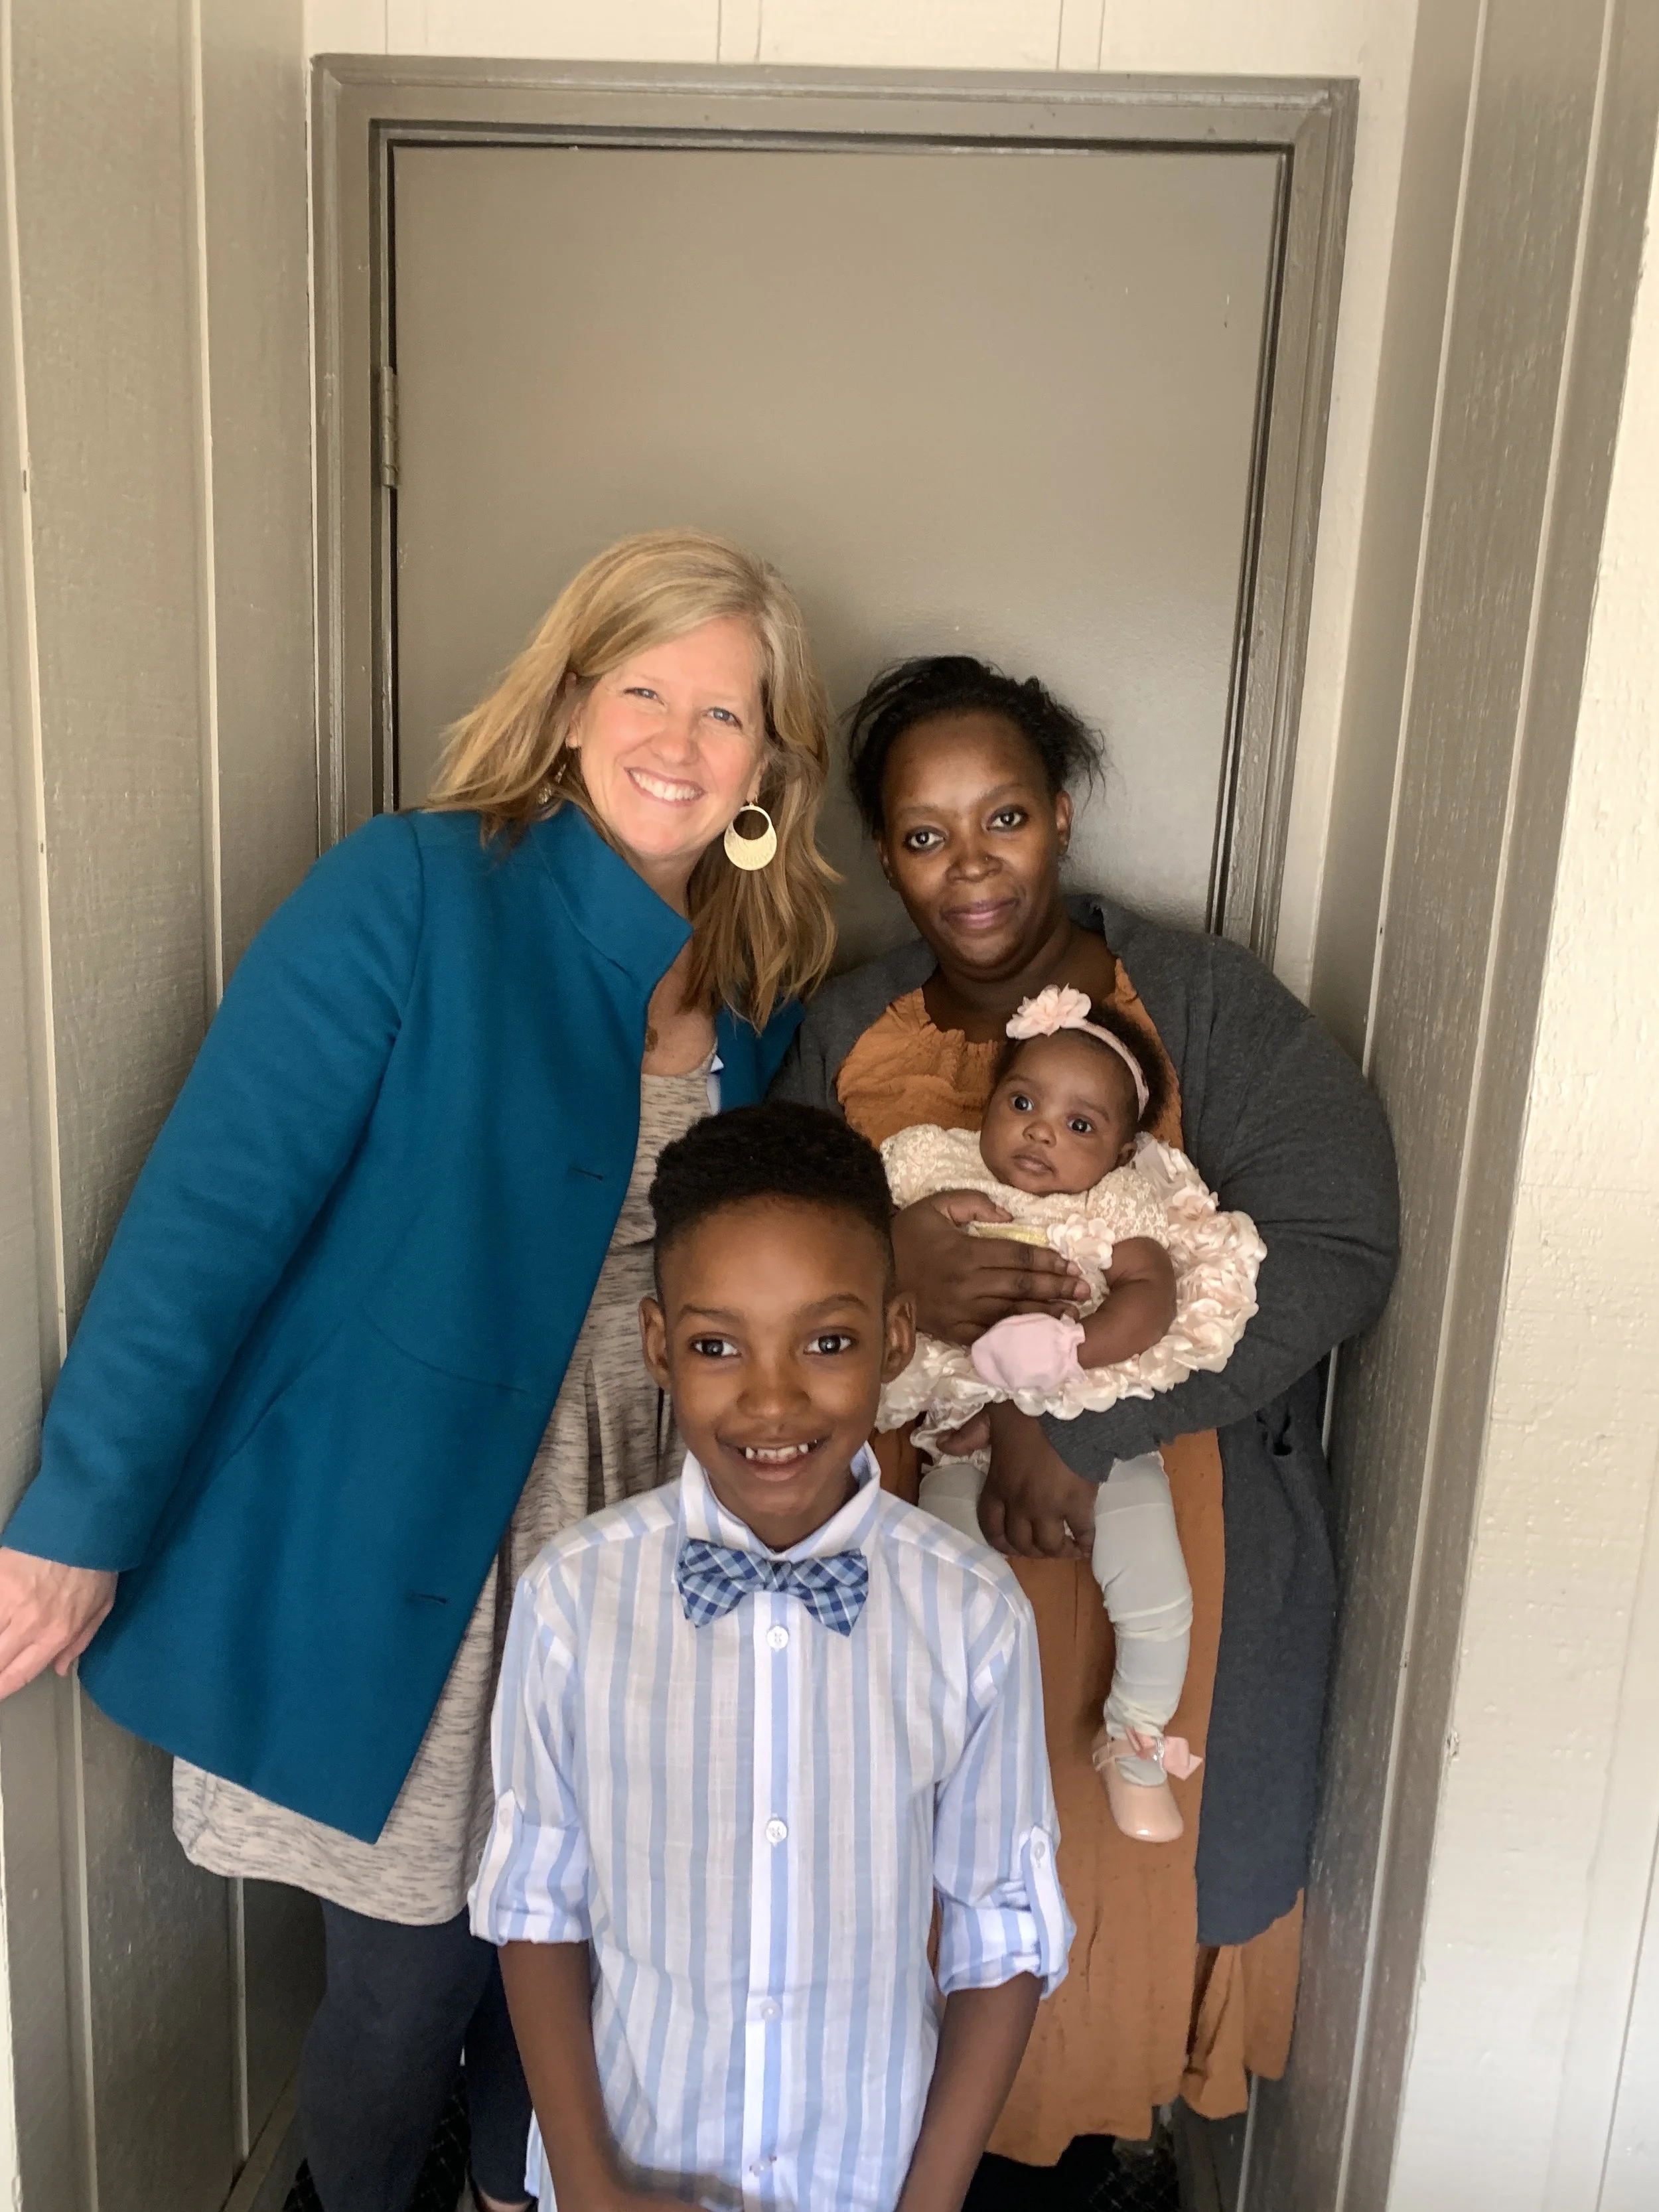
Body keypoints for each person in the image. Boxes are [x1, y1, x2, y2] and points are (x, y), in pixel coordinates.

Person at [0, 530, 835, 2212]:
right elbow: (207, 1220)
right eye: (642, 687)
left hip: (638, 1545)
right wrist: (79, 1519)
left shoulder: (750, 986)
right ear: (572, 698)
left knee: (583, 1956)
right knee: (408, 1976)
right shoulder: (413, 887)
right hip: (409, 1551)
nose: (677, 739)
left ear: (768, 765)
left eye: (726, 712)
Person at [772, 655, 1398, 2159]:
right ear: (882, 854)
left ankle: (1059, 2160)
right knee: (891, 1860)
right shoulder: (843, 1021)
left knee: (1099, 1864)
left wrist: (1082, 1423)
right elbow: (749, 1242)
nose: (969, 865)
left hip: (1154, 1524)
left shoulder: (1196, 1002)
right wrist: (882, 1259)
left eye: (1002, 817)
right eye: (923, 834)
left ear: (1059, 815)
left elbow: (1334, 1242)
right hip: (903, 1527)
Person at [471, 1102, 1072, 2212]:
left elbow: (1001, 1931)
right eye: (716, 1346)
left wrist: (927, 2202)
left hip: (869, 2176)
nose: (773, 1398)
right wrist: (593, 2193)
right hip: (630, 2170)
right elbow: (536, 1906)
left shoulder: (972, 1615)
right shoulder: (575, 1599)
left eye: (828, 1342)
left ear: (895, 1339)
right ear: (660, 1348)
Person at [877, 983, 1265, 1843]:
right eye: (1022, 1102)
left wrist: (1071, 1358)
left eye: (1080, 1124)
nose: (1042, 1130)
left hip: (1099, 1434)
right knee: (932, 1591)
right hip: (964, 1435)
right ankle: (939, 1755)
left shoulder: (1117, 1205)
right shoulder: (940, 1173)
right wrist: (909, 1228)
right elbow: (860, 1248)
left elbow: (1151, 1296)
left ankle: (1135, 1740)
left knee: (1159, 1595)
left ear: (1123, 1149)